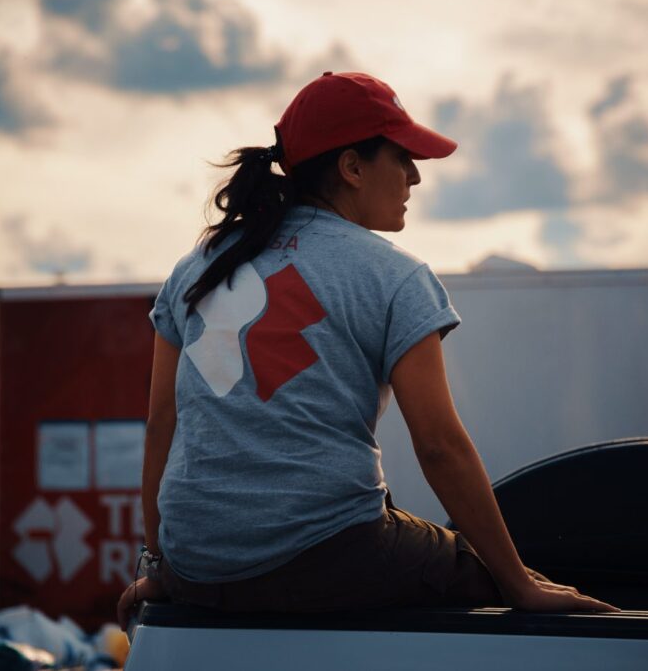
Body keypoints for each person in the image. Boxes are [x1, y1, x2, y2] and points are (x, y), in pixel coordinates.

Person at [118, 71, 617, 624]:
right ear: (352, 167)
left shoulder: (196, 268)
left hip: (197, 569)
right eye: (402, 158)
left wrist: (161, 566)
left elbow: (162, 421)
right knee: (515, 582)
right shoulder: (394, 277)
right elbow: (439, 447)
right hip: (325, 557)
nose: (415, 178)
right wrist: (520, 585)